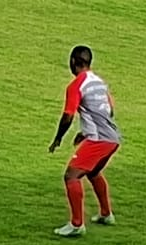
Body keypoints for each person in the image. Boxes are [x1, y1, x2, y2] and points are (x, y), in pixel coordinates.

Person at [48, 45, 121, 237]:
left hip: (100, 140)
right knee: (93, 172)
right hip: (113, 138)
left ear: (73, 61)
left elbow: (68, 116)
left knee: (71, 176)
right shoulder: (99, 82)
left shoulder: (76, 85)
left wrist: (58, 139)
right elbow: (110, 108)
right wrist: (87, 130)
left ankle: (76, 224)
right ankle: (106, 214)